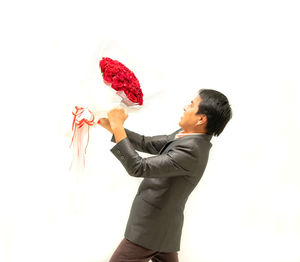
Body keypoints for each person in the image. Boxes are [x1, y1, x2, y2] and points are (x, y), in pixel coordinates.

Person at [98, 89, 232, 262]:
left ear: (201, 119)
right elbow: (147, 143)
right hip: (164, 229)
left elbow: (138, 167)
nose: (185, 107)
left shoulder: (192, 150)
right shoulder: (188, 137)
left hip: (150, 230)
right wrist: (112, 127)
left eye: (191, 104)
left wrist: (118, 127)